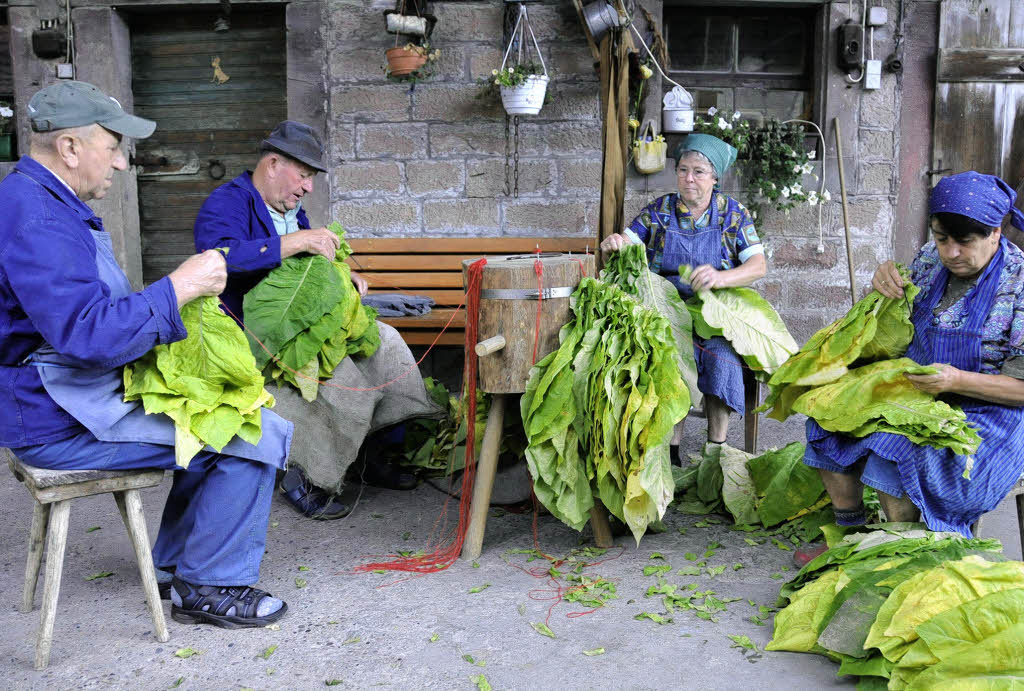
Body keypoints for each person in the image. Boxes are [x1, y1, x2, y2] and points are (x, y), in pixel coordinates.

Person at [0, 81, 291, 627]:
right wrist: (178, 288)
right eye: (112, 148)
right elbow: (88, 337)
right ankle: (211, 587)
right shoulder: (38, 218)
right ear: (69, 148)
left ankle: (174, 568)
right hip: (56, 421)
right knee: (255, 432)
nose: (120, 164)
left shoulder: (41, 201)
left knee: (221, 419)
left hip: (67, 400)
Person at [193, 120, 441, 520]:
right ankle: (305, 476)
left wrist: (344, 274)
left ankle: (373, 455)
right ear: (273, 164)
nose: (307, 187)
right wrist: (298, 241)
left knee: (386, 342)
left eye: (309, 178)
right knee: (340, 378)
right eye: (304, 175)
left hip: (306, 324)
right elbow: (218, 258)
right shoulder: (228, 203)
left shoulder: (293, 210)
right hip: (256, 335)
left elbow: (311, 266)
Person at [798, 171, 1024, 562]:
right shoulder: (929, 259)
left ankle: (904, 549)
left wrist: (955, 380)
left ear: (995, 232)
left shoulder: (1018, 285)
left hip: (991, 413)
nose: (950, 253)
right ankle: (849, 532)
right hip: (918, 389)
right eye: (941, 239)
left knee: (895, 447)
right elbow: (894, 315)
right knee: (826, 416)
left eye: (964, 242)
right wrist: (882, 282)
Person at [600, 133, 767, 450]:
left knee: (722, 359)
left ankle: (715, 448)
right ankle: (672, 450)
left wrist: (721, 277)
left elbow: (758, 266)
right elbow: (628, 241)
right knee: (669, 360)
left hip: (716, 315)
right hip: (665, 311)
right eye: (683, 170)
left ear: (714, 178)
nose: (689, 178)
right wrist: (617, 243)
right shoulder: (660, 211)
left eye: (698, 172)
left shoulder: (734, 214)